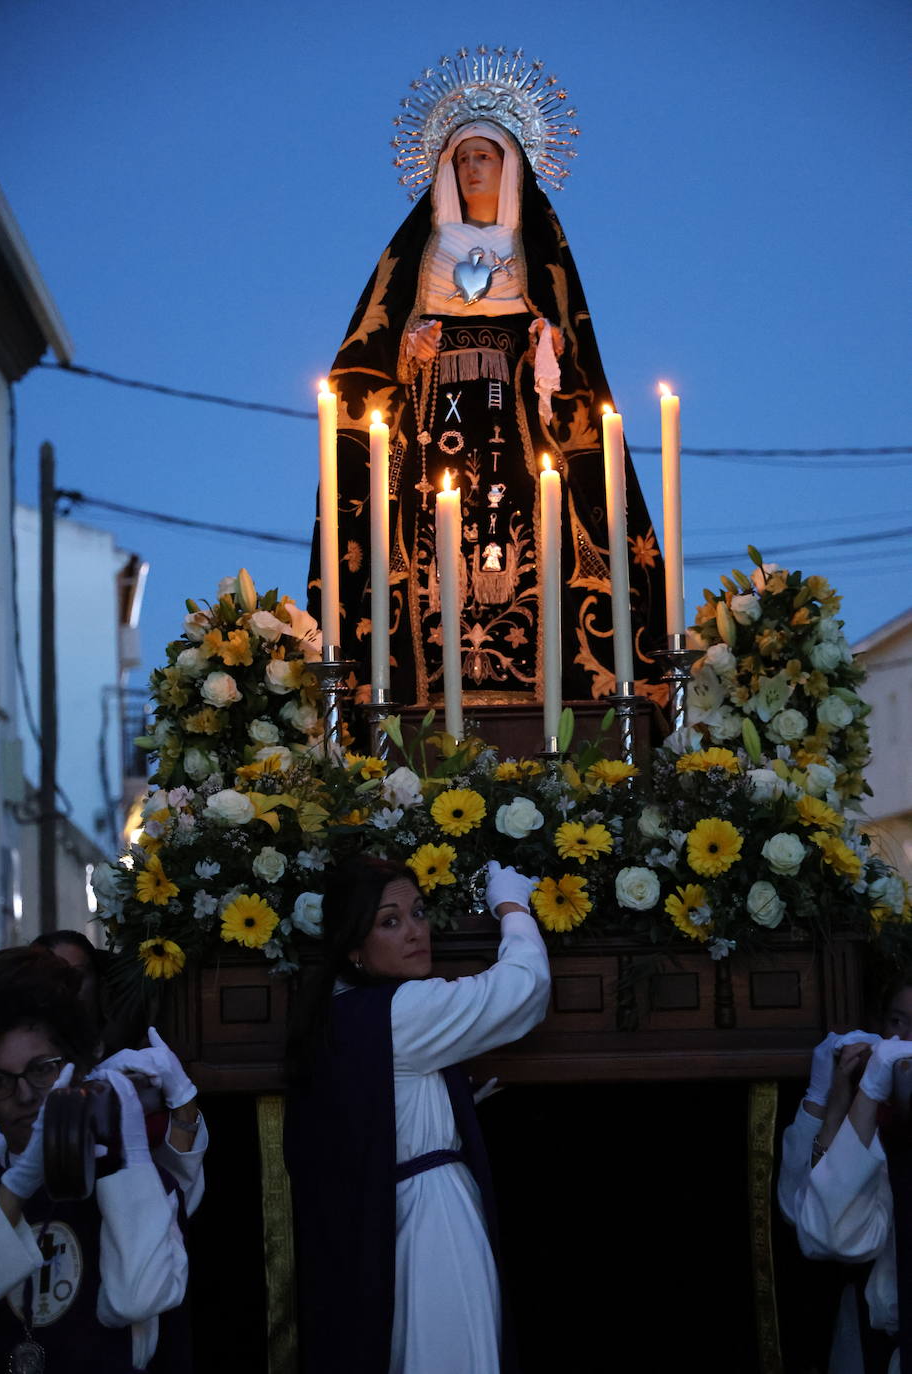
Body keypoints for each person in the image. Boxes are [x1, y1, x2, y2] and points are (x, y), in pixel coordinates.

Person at [307, 52, 666, 710]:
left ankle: (542, 703)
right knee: (427, 560)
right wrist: (408, 353)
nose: (473, 169)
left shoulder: (538, 251)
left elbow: (575, 357)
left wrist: (545, 348)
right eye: (462, 158)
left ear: (513, 168)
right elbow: (366, 358)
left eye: (486, 157)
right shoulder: (421, 254)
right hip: (432, 433)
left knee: (530, 545)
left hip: (518, 434)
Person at [283, 856, 551, 1373]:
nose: (414, 931)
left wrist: (444, 1104)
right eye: (390, 921)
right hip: (431, 1221)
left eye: (419, 913)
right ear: (354, 948)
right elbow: (524, 991)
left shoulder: (343, 1014)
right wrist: (512, 906)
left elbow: (368, 1113)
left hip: (393, 1220)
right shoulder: (402, 1010)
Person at [0, 946, 202, 1371]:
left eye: (41, 1070)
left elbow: (136, 1300)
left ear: (74, 1069)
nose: (24, 1096)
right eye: (0, 1080)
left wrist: (134, 1159)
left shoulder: (127, 1181)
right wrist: (18, 1184)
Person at [778, 976, 912, 1373]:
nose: (905, 1041)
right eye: (897, 1022)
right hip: (875, 1348)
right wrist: (826, 1101)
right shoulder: (875, 1117)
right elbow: (812, 1227)